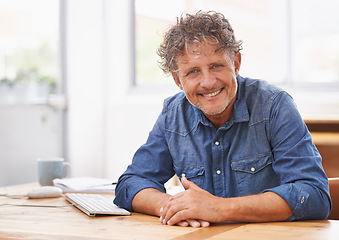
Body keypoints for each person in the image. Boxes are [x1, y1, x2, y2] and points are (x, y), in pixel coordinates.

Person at [114, 11, 331, 227]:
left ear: (235, 63)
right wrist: (176, 207)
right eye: (192, 72)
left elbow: (313, 195)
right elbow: (130, 183)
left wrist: (219, 208)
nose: (207, 82)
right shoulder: (173, 114)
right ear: (178, 80)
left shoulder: (274, 106)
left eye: (216, 66)